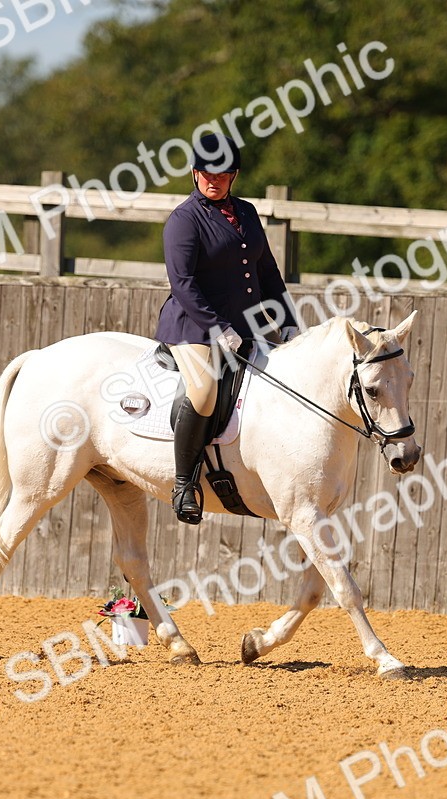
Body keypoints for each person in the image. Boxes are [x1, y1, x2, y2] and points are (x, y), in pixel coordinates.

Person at [154, 133, 298, 525]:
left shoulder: (248, 214)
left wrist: (287, 323)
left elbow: (267, 273)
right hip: (191, 328)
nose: (213, 180)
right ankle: (184, 485)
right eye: (206, 173)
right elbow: (183, 284)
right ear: (195, 173)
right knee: (203, 391)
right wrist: (217, 328)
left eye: (222, 173)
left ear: (233, 175)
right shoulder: (184, 220)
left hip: (244, 326)